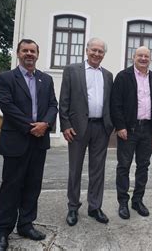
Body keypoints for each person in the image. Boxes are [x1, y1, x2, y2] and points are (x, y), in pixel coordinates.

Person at [0, 39, 58, 251]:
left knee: (33, 184)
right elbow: (7, 106)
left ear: (37, 54)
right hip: (17, 140)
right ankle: (3, 231)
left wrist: (46, 124)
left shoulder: (46, 79)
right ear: (18, 53)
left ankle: (26, 224)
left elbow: (52, 105)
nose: (29, 54)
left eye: (33, 51)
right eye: (25, 50)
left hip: (39, 142)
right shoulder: (6, 78)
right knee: (11, 186)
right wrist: (32, 126)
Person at [59, 38, 113, 226]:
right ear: (86, 50)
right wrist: (65, 125)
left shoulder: (108, 75)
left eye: (101, 51)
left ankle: (94, 207)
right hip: (77, 128)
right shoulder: (72, 70)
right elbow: (64, 100)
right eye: (94, 50)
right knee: (75, 169)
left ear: (104, 55)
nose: (97, 54)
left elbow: (109, 102)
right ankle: (73, 207)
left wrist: (110, 125)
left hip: (101, 128)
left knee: (98, 170)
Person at [111, 46, 152, 219]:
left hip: (147, 129)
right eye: (140, 55)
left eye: (146, 56)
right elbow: (115, 104)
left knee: (143, 166)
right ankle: (123, 202)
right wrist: (120, 127)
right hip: (128, 130)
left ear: (150, 58)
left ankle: (137, 200)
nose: (143, 58)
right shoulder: (123, 76)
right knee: (124, 166)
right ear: (134, 57)